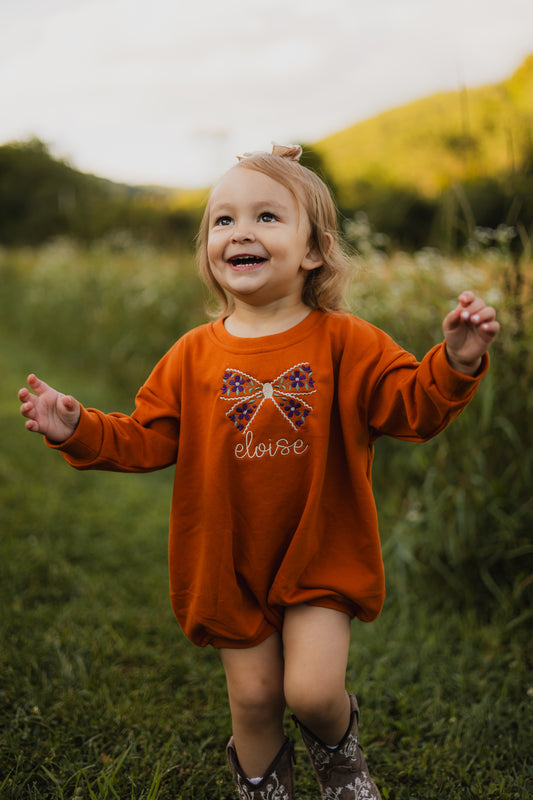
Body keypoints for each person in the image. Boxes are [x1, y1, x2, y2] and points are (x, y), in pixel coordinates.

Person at [18, 144, 500, 800]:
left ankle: (341, 759)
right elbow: (147, 438)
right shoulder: (192, 354)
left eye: (267, 216)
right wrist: (78, 428)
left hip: (321, 550)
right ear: (208, 250)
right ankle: (262, 789)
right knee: (253, 700)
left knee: (312, 692)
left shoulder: (347, 340)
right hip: (227, 559)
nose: (240, 231)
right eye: (223, 220)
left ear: (314, 251)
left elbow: (412, 405)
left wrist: (456, 362)